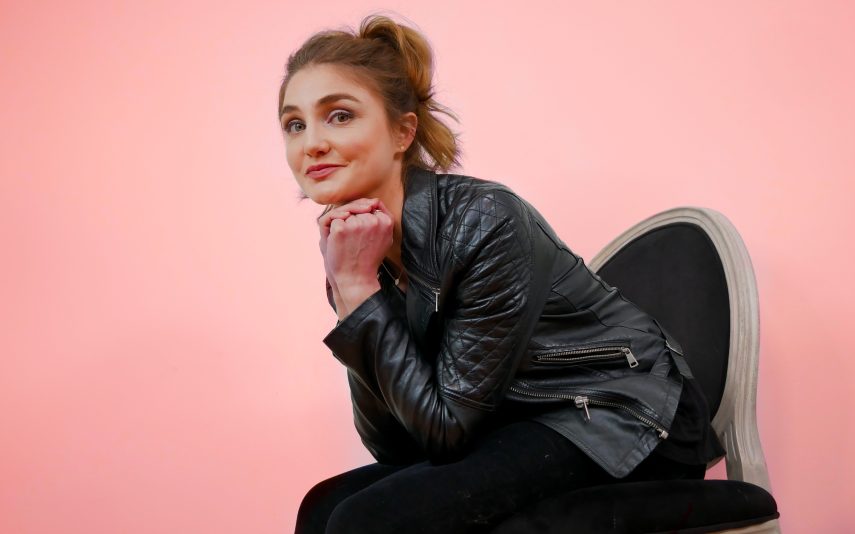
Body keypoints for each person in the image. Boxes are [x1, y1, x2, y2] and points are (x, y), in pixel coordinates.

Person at [281, 13, 726, 534]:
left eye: (339, 116)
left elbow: (444, 432)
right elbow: (396, 447)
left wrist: (358, 292)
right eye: (294, 124)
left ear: (403, 132)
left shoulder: (484, 220)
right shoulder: (359, 255)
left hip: (623, 418)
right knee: (322, 508)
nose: (311, 143)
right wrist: (354, 295)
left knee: (366, 521)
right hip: (517, 425)